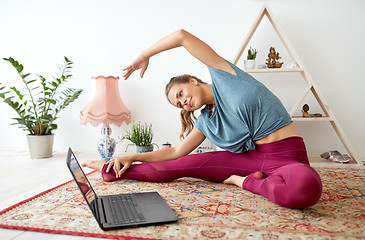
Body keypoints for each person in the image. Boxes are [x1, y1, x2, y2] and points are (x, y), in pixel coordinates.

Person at [82, 29, 322, 209]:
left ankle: (246, 183)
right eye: (178, 104)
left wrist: (144, 55)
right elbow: (174, 153)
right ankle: (109, 169)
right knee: (179, 167)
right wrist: (130, 156)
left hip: (288, 156)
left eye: (180, 94)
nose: (182, 102)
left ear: (192, 81)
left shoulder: (224, 74)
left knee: (307, 190)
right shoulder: (207, 120)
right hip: (252, 160)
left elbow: (182, 36)